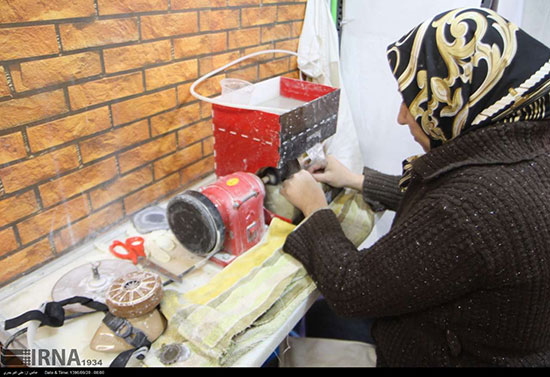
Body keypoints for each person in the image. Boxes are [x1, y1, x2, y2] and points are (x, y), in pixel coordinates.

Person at [281, 7, 550, 367]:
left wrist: (316, 209)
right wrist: (356, 180)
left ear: (453, 98)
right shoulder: (527, 149)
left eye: (412, 99)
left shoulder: (470, 207)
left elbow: (354, 288)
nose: (402, 116)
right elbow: (445, 201)